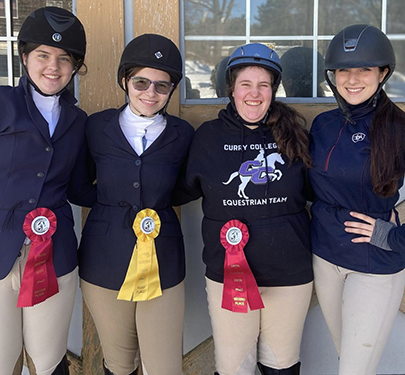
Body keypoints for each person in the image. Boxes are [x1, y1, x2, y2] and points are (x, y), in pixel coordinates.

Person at [185, 43, 313, 375]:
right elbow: (179, 188)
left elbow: (320, 190)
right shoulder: (207, 138)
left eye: (263, 85)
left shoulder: (295, 135)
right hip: (230, 276)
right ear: (231, 88)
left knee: (282, 367)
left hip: (289, 276)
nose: (254, 93)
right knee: (233, 369)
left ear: (273, 90)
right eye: (245, 84)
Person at [78, 34, 194, 375]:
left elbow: (187, 187)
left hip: (164, 262)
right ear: (125, 81)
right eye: (141, 82)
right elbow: (79, 185)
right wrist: (113, 209)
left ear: (172, 89)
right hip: (104, 259)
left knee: (164, 366)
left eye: (162, 85)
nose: (150, 93)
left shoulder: (183, 133)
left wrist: (154, 206)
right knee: (118, 362)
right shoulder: (96, 127)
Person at [0, 6, 93, 375]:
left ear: (74, 66)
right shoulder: (3, 104)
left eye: (63, 58)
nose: (52, 66)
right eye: (42, 55)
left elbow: (79, 188)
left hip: (54, 256)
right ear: (25, 57)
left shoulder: (78, 121)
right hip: (1, 252)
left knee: (49, 361)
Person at [309, 24, 405, 375]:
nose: (352, 79)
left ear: (382, 73)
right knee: (346, 359)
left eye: (364, 69)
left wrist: (391, 234)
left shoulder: (399, 129)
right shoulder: (322, 125)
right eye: (344, 70)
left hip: (374, 266)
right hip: (326, 259)